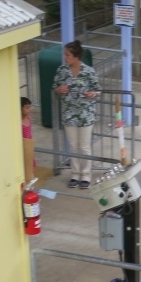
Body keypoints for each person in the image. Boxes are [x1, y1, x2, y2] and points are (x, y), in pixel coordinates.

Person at [53, 42, 101, 188]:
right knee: (73, 146)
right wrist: (59, 90)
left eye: (67, 55)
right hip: (69, 114)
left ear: (76, 56)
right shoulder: (62, 71)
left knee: (84, 146)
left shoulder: (88, 71)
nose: (65, 57)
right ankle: (75, 174)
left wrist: (93, 94)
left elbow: (98, 90)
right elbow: (55, 88)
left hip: (85, 115)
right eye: (65, 54)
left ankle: (86, 175)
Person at [21, 96, 37, 181]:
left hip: (29, 146)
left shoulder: (28, 119)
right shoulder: (19, 122)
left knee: (31, 167)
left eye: (30, 107)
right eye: (27, 108)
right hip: (23, 147)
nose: (29, 109)